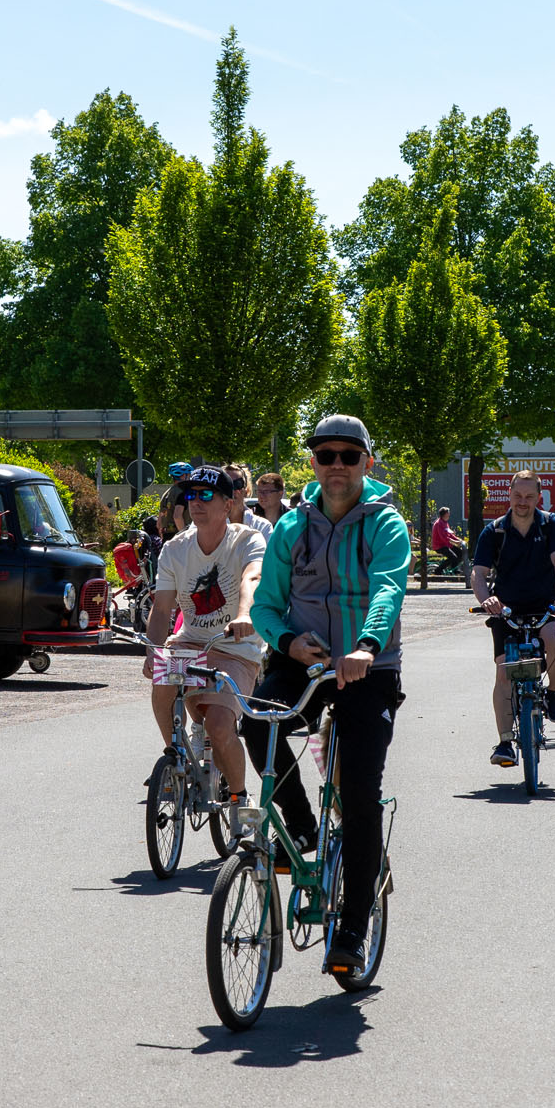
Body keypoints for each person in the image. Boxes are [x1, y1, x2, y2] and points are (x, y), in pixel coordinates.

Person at [245, 414, 409, 972]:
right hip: (304, 661)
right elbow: (266, 604)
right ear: (312, 462)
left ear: (367, 461)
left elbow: (388, 588)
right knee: (255, 721)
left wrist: (366, 644)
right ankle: (302, 824)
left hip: (369, 666)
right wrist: (287, 642)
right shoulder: (292, 527)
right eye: (325, 455)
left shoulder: (386, 524)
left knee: (361, 799)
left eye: (347, 455)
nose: (335, 465)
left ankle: (353, 933)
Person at [144, 465, 265, 829]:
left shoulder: (247, 540)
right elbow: (163, 607)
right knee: (161, 686)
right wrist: (152, 649)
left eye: (206, 495)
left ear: (228, 503)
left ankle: (241, 799)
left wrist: (244, 614)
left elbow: (252, 578)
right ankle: (176, 760)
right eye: (191, 495)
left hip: (235, 647)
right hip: (190, 641)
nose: (195, 502)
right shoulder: (174, 549)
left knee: (217, 724)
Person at [472, 470, 555, 765]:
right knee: (504, 671)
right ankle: (505, 743)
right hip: (506, 612)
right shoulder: (494, 531)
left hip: (546, 607)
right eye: (517, 495)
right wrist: (486, 599)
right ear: (509, 494)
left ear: (539, 498)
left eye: (529, 496)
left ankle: (553, 693)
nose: (522, 501)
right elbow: (478, 574)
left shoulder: (552, 524)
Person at [222, 463, 273, 542]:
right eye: (226, 485)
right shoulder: (208, 526)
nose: (231, 491)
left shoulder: (262, 527)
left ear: (247, 490)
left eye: (237, 484)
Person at [430, 506, 466, 574]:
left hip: (446, 544)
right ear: (444, 514)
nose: (449, 514)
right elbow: (443, 537)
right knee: (453, 557)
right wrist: (454, 541)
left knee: (460, 553)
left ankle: (453, 568)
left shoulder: (445, 522)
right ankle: (438, 571)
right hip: (439, 546)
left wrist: (459, 539)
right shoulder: (439, 523)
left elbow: (450, 534)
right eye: (448, 513)